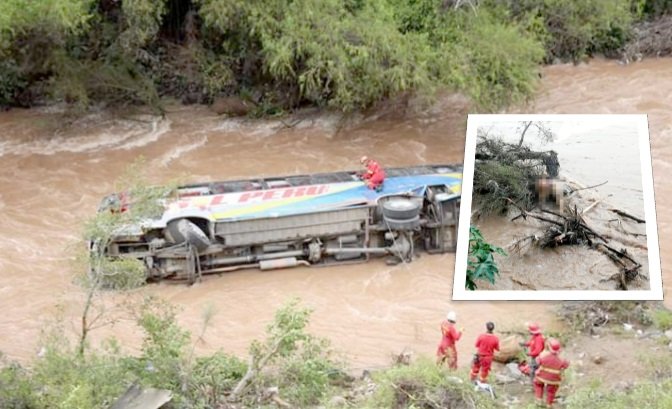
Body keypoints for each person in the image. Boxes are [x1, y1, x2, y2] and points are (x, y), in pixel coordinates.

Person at [534, 338, 570, 408]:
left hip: (541, 376)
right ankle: (549, 404)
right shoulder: (561, 359)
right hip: (554, 379)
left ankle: (539, 399)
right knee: (551, 391)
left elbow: (537, 361)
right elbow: (566, 365)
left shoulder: (543, 355)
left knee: (538, 384)